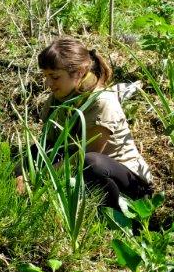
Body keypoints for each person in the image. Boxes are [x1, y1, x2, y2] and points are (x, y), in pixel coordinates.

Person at [16, 37, 153, 210]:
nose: (48, 84)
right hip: (79, 170)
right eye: (45, 76)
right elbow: (46, 146)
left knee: (90, 162)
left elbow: (87, 154)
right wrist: (21, 174)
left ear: (80, 72)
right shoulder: (58, 98)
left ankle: (112, 217)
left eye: (54, 77)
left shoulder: (101, 101)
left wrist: (42, 177)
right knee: (39, 152)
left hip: (127, 184)